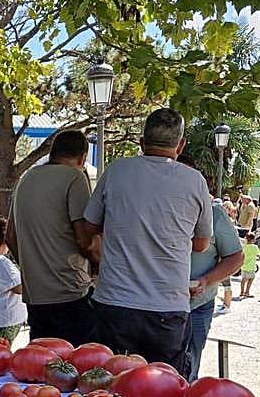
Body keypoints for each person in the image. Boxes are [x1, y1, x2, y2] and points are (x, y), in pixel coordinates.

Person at [80, 108, 211, 374]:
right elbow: (201, 244)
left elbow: (89, 225)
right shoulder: (194, 181)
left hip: (115, 302)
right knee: (165, 395)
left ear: (141, 142)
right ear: (181, 144)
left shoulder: (117, 171)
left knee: (111, 392)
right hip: (168, 304)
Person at [7, 128, 97, 345]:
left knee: (42, 364)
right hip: (70, 291)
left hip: (35, 295)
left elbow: (10, 236)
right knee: (77, 364)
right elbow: (84, 239)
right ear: (83, 157)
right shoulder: (74, 177)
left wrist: (33, 266)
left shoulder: (25, 179)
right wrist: (100, 262)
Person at [180, 155, 244, 380]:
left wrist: (206, 280)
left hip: (196, 305)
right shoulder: (151, 209)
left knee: (188, 369)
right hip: (152, 305)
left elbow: (235, 257)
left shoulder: (214, 213)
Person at [238, 230, 260, 298]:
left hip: (243, 266)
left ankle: (242, 292)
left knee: (243, 279)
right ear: (253, 240)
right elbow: (258, 254)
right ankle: (247, 292)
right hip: (251, 267)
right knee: (250, 279)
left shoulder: (243, 246)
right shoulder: (255, 247)